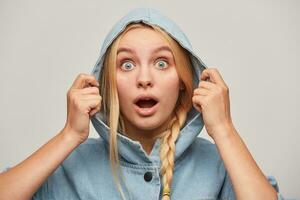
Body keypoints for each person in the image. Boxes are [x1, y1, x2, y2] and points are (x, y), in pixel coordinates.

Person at [0, 7, 285, 200]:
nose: (144, 78)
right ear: (107, 84)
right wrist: (69, 136)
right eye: (126, 65)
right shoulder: (69, 164)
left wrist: (224, 129)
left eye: (162, 63)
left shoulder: (220, 164)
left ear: (184, 83)